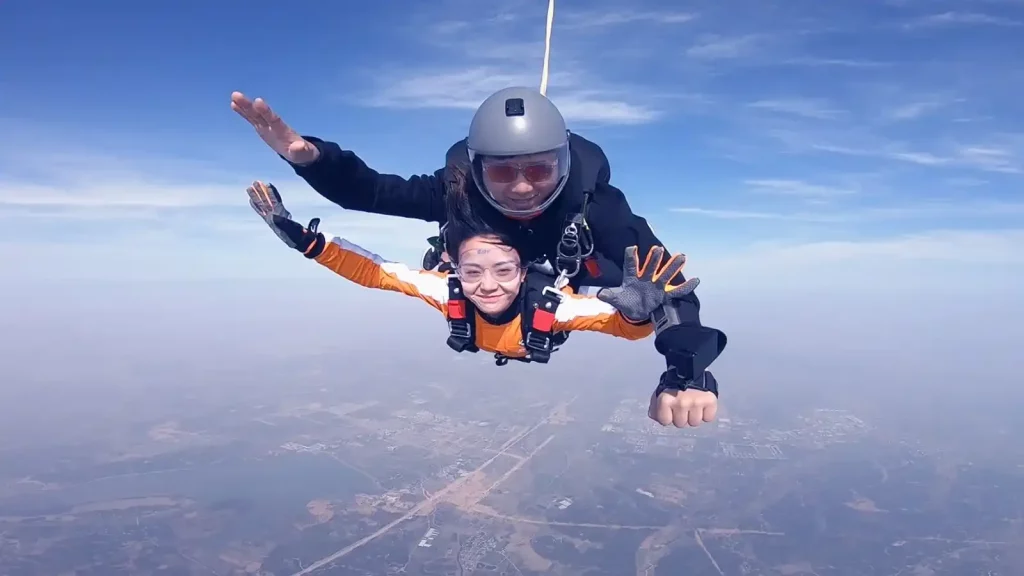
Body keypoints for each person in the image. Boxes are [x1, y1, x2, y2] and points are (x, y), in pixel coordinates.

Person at [230, 86, 726, 398]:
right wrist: (310, 158)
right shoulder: (457, 192)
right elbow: (373, 192)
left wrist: (684, 369)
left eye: (539, 170)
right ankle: (471, 262)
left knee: (636, 287)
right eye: (504, 172)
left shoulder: (596, 208)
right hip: (488, 268)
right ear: (477, 169)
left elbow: (669, 287)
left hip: (571, 269)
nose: (523, 187)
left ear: (563, 165)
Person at [244, 174, 719, 428]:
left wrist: (637, 314)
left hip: (543, 312)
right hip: (481, 300)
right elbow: (375, 271)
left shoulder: (552, 305)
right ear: (454, 269)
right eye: (472, 272)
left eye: (503, 271)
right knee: (427, 275)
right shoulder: (446, 288)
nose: (487, 286)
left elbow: (614, 324)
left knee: (587, 288)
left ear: (523, 271)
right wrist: (306, 241)